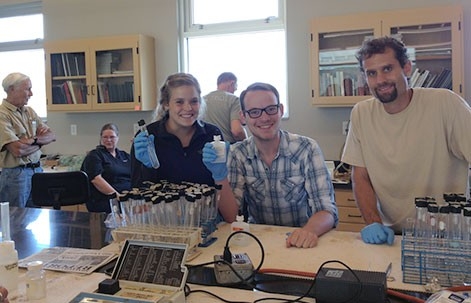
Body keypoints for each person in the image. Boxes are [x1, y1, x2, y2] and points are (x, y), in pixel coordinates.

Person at [341, 36, 471, 245]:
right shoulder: (361, 114)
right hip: (392, 237)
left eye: (387, 69)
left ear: (407, 68)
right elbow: (361, 177)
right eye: (371, 73)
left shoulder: (445, 103)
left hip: (446, 238)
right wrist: (373, 222)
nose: (380, 80)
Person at [204, 82, 338, 248]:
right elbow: (232, 216)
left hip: (305, 241)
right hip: (260, 244)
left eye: (271, 109)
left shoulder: (307, 149)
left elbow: (326, 210)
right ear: (243, 117)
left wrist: (308, 232)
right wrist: (220, 177)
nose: (265, 117)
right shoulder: (238, 154)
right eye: (254, 112)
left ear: (280, 110)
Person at [131, 72, 238, 222]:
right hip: (163, 224)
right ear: (166, 104)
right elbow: (137, 206)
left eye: (194, 101)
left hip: (206, 224)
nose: (188, 108)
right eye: (179, 102)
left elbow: (230, 215)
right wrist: (147, 168)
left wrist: (220, 175)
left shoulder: (211, 134)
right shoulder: (147, 138)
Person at [0, 72, 56, 208]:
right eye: (27, 89)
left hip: (37, 171)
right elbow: (17, 150)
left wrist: (32, 140)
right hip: (16, 175)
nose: (31, 94)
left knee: (35, 218)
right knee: (15, 219)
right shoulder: (3, 115)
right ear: (12, 89)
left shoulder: (29, 111)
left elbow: (52, 135)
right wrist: (40, 141)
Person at [81, 123, 131, 213]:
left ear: (117, 138)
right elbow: (96, 180)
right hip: (106, 200)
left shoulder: (125, 156)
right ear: (101, 138)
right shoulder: (95, 155)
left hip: (128, 198)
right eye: (105, 137)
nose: (108, 140)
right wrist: (118, 196)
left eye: (112, 137)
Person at [203, 72, 247, 144]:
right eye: (236, 86)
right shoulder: (234, 100)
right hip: (227, 148)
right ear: (232, 83)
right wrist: (247, 144)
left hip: (205, 148)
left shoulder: (202, 100)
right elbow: (237, 131)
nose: (235, 89)